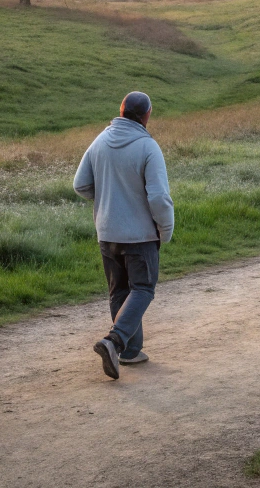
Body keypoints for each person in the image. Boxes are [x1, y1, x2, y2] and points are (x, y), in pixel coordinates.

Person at [73, 90, 174, 380]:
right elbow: (158, 198)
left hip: (107, 233)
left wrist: (108, 199)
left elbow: (80, 185)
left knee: (120, 291)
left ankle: (130, 352)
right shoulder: (148, 147)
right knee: (143, 289)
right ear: (147, 115)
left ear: (120, 110)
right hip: (140, 235)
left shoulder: (99, 141)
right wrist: (165, 231)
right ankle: (114, 342)